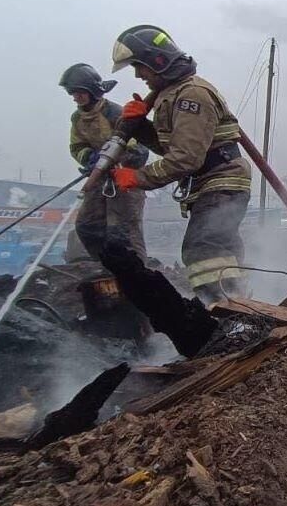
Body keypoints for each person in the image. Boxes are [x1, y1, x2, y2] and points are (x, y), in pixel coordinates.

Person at [108, 25, 253, 304]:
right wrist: (140, 127)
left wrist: (138, 177)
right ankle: (238, 307)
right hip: (212, 181)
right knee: (221, 249)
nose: (139, 75)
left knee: (203, 248)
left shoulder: (191, 95)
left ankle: (226, 313)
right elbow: (173, 148)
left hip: (222, 179)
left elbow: (185, 158)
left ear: (157, 61)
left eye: (139, 67)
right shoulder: (173, 95)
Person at [61, 63, 148, 261]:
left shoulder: (116, 114)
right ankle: (107, 266)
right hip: (99, 179)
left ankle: (139, 279)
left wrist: (114, 160)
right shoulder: (78, 118)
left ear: (92, 91)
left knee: (124, 233)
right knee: (86, 226)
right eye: (72, 93)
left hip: (125, 181)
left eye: (79, 93)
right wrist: (90, 157)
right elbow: (76, 147)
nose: (75, 97)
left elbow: (139, 151)